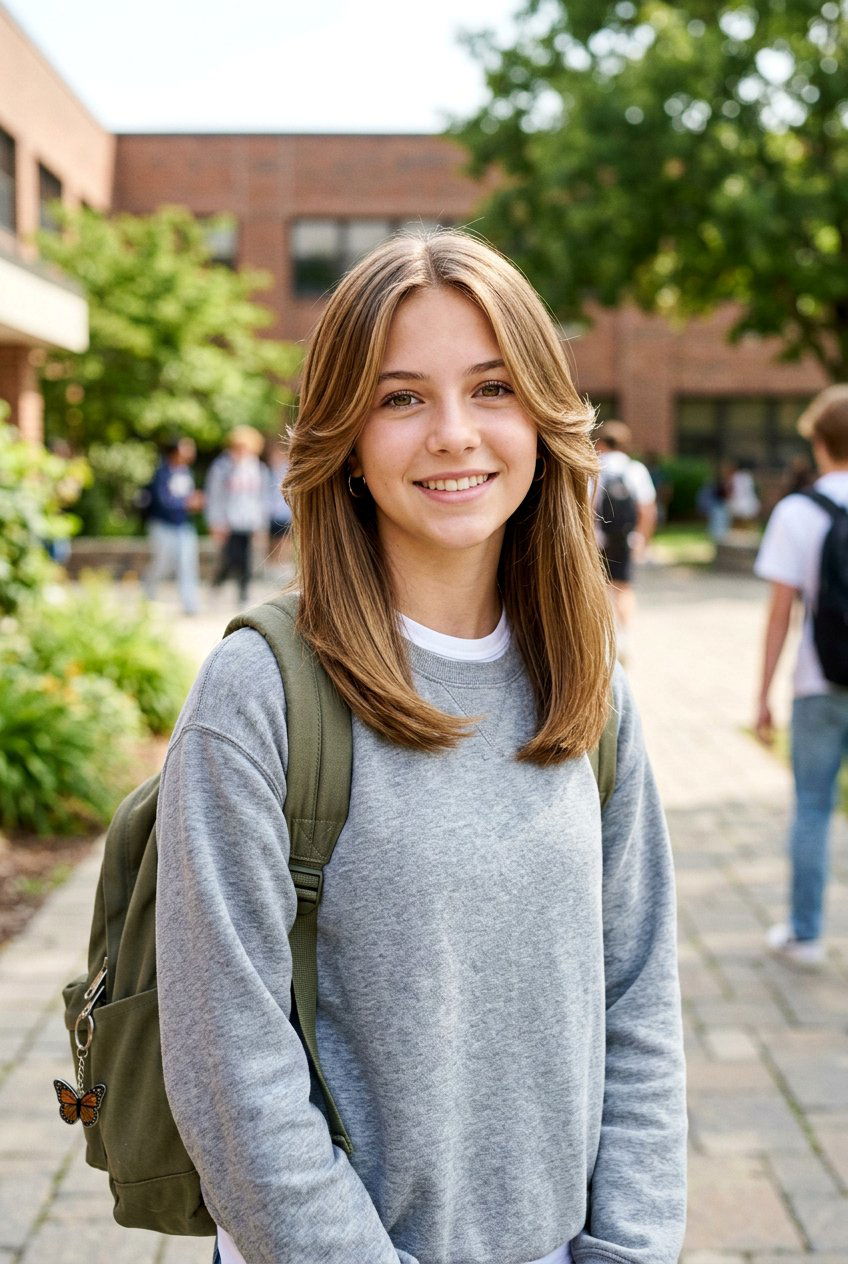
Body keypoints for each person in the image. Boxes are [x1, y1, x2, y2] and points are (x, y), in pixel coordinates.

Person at [156, 230, 687, 1264]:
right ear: (344, 437)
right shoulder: (261, 692)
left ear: (540, 412)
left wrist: (626, 1249)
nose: (453, 433)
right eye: (401, 398)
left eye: (491, 387)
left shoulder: (587, 685)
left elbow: (639, 997)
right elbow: (232, 1070)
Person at [754, 386, 848, 967]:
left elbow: (780, 615)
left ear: (817, 443)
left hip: (820, 683)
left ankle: (806, 935)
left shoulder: (797, 512)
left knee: (813, 806)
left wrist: (763, 695)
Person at [593, 420, 658, 654]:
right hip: (626, 537)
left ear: (601, 443)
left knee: (597, 588)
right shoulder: (635, 470)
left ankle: (600, 638)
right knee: (623, 587)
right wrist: (641, 539)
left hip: (597, 538)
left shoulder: (593, 468)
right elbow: (648, 509)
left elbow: (586, 506)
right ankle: (625, 637)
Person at [205, 425, 267, 604]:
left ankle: (243, 593)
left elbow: (261, 498)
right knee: (231, 557)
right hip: (228, 520)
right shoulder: (222, 467)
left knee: (246, 559)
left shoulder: (257, 468)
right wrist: (216, 521)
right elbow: (214, 496)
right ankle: (218, 582)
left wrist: (260, 523)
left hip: (248, 520)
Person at [142, 436, 202, 615]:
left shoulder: (186, 472)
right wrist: (186, 503)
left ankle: (190, 605)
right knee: (161, 564)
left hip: (183, 525)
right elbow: (162, 501)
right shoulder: (162, 473)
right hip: (163, 525)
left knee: (188, 564)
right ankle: (147, 593)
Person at [263, 435, 293, 565]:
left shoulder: (287, 470)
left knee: (284, 539)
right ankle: (273, 565)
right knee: (271, 540)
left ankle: (282, 563)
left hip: (284, 511)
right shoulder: (266, 471)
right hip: (270, 511)